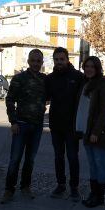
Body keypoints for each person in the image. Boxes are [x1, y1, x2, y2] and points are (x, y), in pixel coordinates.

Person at [1, 49, 47, 204]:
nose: (35, 63)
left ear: (42, 63)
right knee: (15, 159)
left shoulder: (45, 79)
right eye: (33, 60)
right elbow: (10, 100)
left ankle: (25, 186)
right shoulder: (19, 78)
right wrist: (13, 121)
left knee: (30, 160)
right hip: (20, 125)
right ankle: (9, 190)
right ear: (28, 61)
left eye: (38, 61)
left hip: (37, 126)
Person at [76, 56, 105, 208]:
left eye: (92, 66)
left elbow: (104, 112)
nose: (89, 69)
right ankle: (94, 194)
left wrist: (95, 132)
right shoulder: (86, 84)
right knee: (92, 164)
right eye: (87, 66)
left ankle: (100, 196)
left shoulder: (103, 85)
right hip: (86, 131)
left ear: (97, 68)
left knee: (100, 163)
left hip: (97, 132)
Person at [45, 47, 84, 201]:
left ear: (68, 59)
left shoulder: (78, 77)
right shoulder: (50, 78)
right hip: (56, 126)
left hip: (73, 126)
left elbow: (92, 88)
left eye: (62, 59)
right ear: (54, 60)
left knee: (73, 157)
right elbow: (43, 97)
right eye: (57, 59)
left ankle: (74, 187)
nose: (59, 62)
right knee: (58, 157)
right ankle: (60, 185)